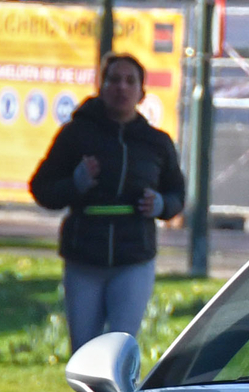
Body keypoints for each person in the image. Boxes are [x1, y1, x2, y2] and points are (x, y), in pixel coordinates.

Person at [30, 54, 186, 351]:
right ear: (101, 86)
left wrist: (161, 205)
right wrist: (74, 184)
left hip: (134, 258)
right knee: (84, 350)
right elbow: (42, 188)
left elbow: (177, 194)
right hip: (84, 257)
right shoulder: (76, 134)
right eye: (114, 80)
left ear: (142, 93)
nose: (121, 88)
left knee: (120, 348)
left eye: (130, 81)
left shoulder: (156, 142)